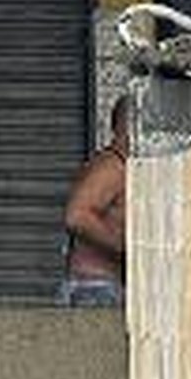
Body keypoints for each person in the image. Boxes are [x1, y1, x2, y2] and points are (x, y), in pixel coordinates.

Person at [62, 95, 132, 304]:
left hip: (105, 286)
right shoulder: (112, 166)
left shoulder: (125, 165)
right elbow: (76, 216)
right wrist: (125, 245)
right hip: (94, 288)